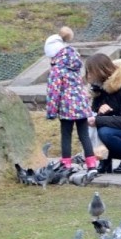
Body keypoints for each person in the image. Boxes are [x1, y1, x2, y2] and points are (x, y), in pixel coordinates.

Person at [44, 26, 97, 172]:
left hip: (67, 106)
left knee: (66, 135)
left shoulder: (57, 69)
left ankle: (66, 164)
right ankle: (91, 164)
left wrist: (51, 112)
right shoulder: (73, 63)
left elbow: (54, 92)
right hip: (81, 105)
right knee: (84, 135)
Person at [84, 53, 121, 174]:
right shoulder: (99, 89)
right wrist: (98, 113)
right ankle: (105, 160)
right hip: (115, 130)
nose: (89, 75)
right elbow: (95, 113)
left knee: (105, 132)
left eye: (91, 71)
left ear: (101, 71)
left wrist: (98, 120)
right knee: (93, 129)